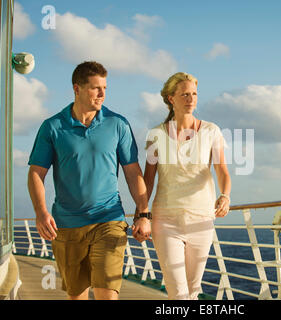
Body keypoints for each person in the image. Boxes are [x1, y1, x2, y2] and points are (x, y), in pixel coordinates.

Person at [27, 61, 151, 300]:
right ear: (77, 89)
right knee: (77, 296)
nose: (102, 94)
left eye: (105, 87)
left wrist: (143, 213)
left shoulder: (118, 124)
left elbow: (132, 172)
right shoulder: (52, 127)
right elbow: (36, 173)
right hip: (66, 225)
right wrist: (41, 212)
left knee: (107, 293)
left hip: (108, 220)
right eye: (96, 88)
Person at [143, 72, 231, 300]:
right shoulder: (156, 135)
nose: (190, 99)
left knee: (192, 291)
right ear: (171, 98)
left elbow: (222, 170)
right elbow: (148, 179)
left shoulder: (211, 131)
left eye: (194, 94)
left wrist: (225, 195)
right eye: (184, 94)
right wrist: (142, 213)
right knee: (178, 293)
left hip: (201, 219)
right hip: (166, 219)